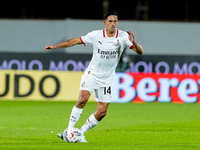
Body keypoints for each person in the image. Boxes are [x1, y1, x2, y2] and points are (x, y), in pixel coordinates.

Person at [44, 11, 143, 143]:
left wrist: (134, 42)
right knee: (83, 99)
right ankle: (69, 130)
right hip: (92, 74)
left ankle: (80, 132)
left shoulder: (123, 36)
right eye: (110, 21)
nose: (113, 24)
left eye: (115, 21)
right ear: (104, 22)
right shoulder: (95, 35)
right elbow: (74, 41)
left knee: (102, 112)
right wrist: (55, 46)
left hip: (107, 79)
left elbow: (140, 52)